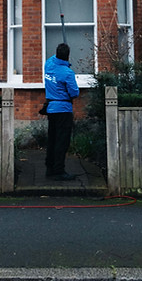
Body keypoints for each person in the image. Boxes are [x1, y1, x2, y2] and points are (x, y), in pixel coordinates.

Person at [44, 42, 80, 180]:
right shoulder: (67, 73)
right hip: (63, 110)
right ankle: (59, 171)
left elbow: (53, 59)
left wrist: (63, 61)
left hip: (51, 109)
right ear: (68, 56)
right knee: (62, 141)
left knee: (52, 139)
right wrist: (66, 65)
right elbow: (74, 93)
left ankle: (50, 168)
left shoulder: (48, 65)